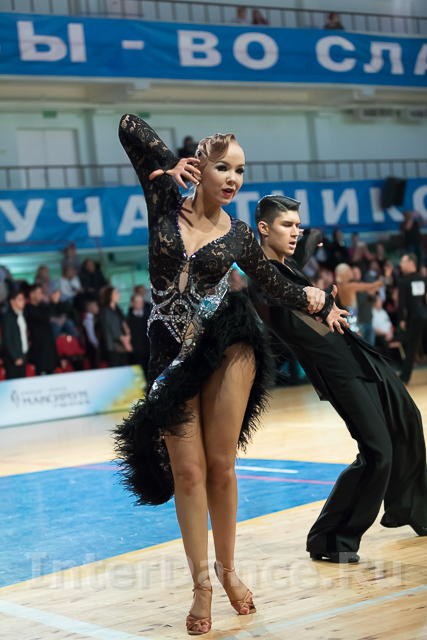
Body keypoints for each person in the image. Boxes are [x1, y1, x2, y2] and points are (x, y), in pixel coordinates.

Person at [114, 114, 343, 635]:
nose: (235, 178)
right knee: (188, 473)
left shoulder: (239, 234)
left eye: (240, 170)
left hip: (226, 347)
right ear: (201, 168)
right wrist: (168, 162)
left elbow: (273, 284)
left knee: (220, 467)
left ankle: (228, 569)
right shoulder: (163, 200)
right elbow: (128, 124)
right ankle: (201, 585)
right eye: (224, 167)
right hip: (169, 356)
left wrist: (317, 299)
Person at [250, 194, 427, 565]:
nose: (295, 231)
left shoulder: (288, 263)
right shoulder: (263, 280)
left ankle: (414, 509)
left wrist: (314, 239)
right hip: (336, 370)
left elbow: (312, 237)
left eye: (296, 225)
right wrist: (315, 298)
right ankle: (329, 538)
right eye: (286, 225)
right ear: (263, 229)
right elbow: (278, 293)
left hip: (359, 353)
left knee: (408, 420)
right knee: (378, 451)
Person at [398, 253, 427, 384]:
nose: (401, 265)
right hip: (424, 315)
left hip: (414, 318)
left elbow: (402, 303)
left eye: (403, 262)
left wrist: (402, 319)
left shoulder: (403, 281)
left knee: (411, 348)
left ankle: (404, 378)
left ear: (411, 263)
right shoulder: (423, 279)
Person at [335, 263, 382, 335]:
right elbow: (372, 286)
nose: (354, 274)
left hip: (362, 318)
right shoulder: (350, 286)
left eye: (357, 272)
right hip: (354, 318)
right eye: (352, 272)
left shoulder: (341, 286)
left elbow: (373, 298)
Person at [25, 284, 61, 375]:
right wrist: (52, 302)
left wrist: (51, 302)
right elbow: (45, 316)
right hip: (40, 351)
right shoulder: (29, 309)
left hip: (49, 348)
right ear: (32, 294)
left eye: (41, 293)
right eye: (39, 293)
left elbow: (54, 312)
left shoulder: (41, 306)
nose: (41, 295)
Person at [99, 286, 132, 367]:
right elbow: (112, 330)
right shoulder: (106, 311)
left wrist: (128, 336)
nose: (118, 295)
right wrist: (125, 341)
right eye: (116, 293)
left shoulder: (117, 309)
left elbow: (124, 324)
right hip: (113, 347)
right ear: (110, 295)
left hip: (121, 346)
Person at [2, 289, 29, 379]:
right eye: (20, 299)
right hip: (13, 358)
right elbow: (7, 339)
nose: (23, 301)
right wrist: (16, 357)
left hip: (23, 355)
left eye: (23, 299)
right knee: (13, 382)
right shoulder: (8, 317)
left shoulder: (22, 315)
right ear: (12, 301)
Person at [127, 291, 151, 380]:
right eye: (137, 302)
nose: (139, 304)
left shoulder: (148, 317)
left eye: (141, 302)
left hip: (148, 349)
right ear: (132, 303)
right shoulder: (128, 319)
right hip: (135, 351)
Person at [82, 299, 100, 369]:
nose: (97, 307)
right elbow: (91, 337)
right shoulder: (88, 320)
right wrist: (98, 346)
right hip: (92, 350)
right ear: (90, 307)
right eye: (95, 305)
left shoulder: (93, 318)